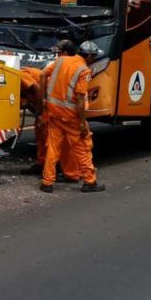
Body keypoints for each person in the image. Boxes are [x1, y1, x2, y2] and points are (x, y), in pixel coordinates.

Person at [39, 39, 105, 194]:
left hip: (54, 112)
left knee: (53, 148)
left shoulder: (61, 61)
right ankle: (89, 181)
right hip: (71, 116)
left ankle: (47, 182)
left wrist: (42, 101)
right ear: (88, 56)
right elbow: (80, 98)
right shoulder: (83, 71)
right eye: (94, 57)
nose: (94, 60)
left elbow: (43, 75)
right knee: (82, 147)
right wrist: (82, 121)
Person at [19, 64, 81, 182]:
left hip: (48, 102)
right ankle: (42, 163)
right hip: (47, 102)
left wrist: (40, 113)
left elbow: (37, 90)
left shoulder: (19, 76)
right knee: (40, 133)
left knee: (49, 137)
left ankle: (59, 168)